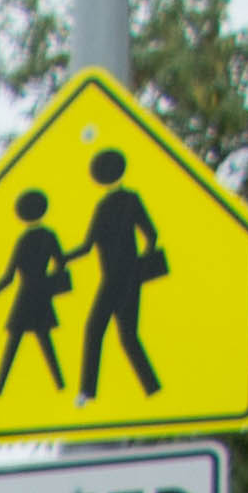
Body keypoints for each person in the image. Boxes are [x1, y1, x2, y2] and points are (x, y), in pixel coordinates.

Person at [77, 147, 167, 402]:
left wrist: (63, 259)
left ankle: (92, 392)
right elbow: (150, 235)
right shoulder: (113, 203)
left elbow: (87, 247)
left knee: (108, 332)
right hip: (120, 279)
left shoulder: (115, 203)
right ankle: (150, 389)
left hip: (120, 279)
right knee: (115, 334)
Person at [0, 189, 74, 400]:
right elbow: (61, 262)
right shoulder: (48, 236)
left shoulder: (24, 240)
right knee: (44, 342)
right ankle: (61, 387)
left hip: (26, 296)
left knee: (15, 344)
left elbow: (9, 276)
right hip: (41, 294)